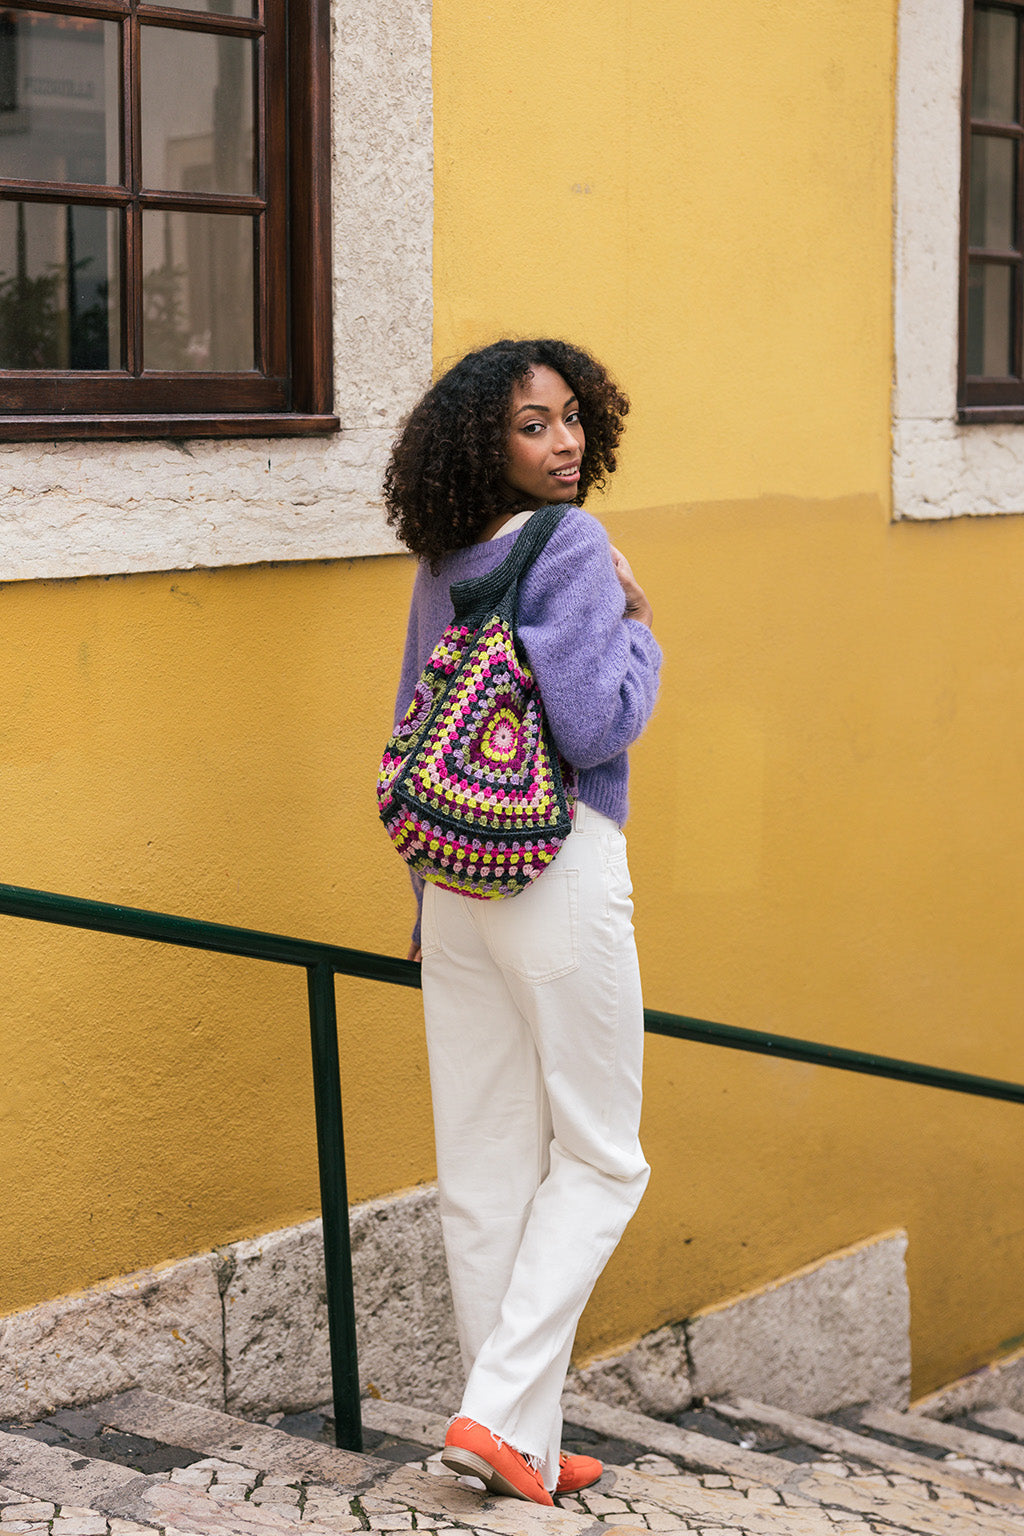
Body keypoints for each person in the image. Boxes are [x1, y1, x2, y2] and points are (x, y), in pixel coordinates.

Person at [384, 338, 661, 1505]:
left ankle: (525, 1448)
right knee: (601, 1157)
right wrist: (640, 625)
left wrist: (427, 912)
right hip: (555, 869)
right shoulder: (577, 545)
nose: (565, 443)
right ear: (487, 446)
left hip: (454, 882)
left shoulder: (448, 559)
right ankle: (494, 1414)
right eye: (534, 426)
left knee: (486, 1166)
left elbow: (410, 729)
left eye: (569, 419)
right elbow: (597, 724)